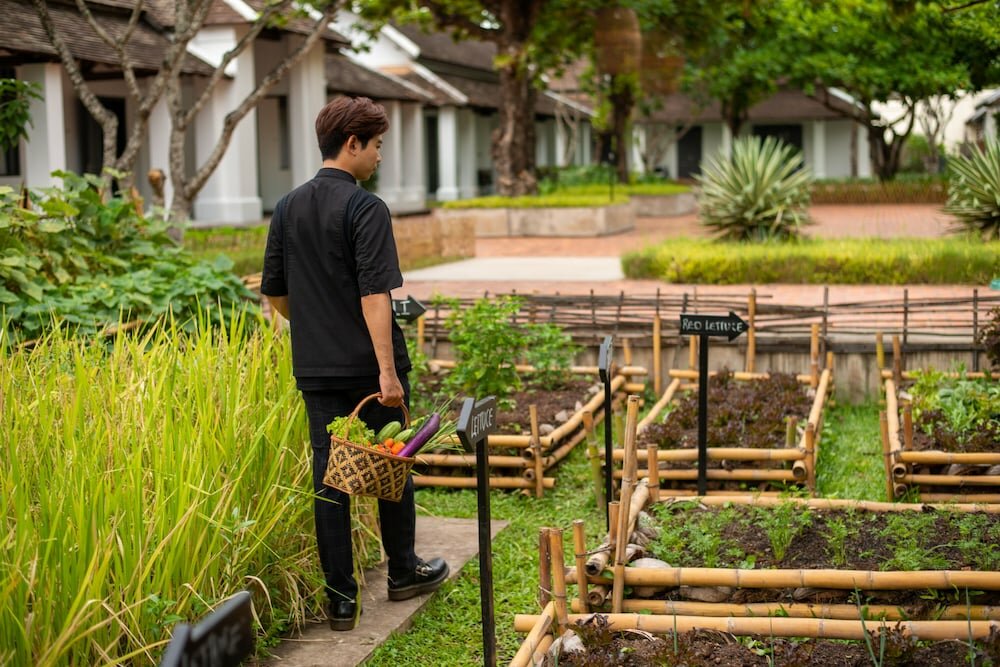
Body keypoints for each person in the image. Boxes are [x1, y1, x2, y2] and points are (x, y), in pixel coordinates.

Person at [260, 95, 448, 632]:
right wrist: (387, 372)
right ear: (352, 144)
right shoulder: (366, 208)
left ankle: (341, 600)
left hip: (316, 369)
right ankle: (403, 571)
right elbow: (375, 295)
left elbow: (275, 291)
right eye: (377, 145)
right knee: (393, 465)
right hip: (369, 368)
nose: (380, 156)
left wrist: (317, 322)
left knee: (329, 481)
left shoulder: (288, 205)